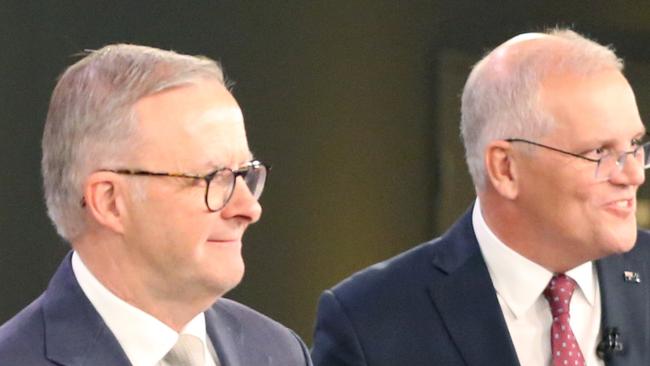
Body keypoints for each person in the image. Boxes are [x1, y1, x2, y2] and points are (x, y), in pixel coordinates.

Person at [312, 29, 650, 366]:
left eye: (634, 146)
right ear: (505, 168)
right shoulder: (370, 321)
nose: (634, 175)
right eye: (598, 152)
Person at [0, 44, 312, 366]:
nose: (249, 209)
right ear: (109, 202)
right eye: (212, 177)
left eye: (244, 173)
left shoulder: (279, 350)